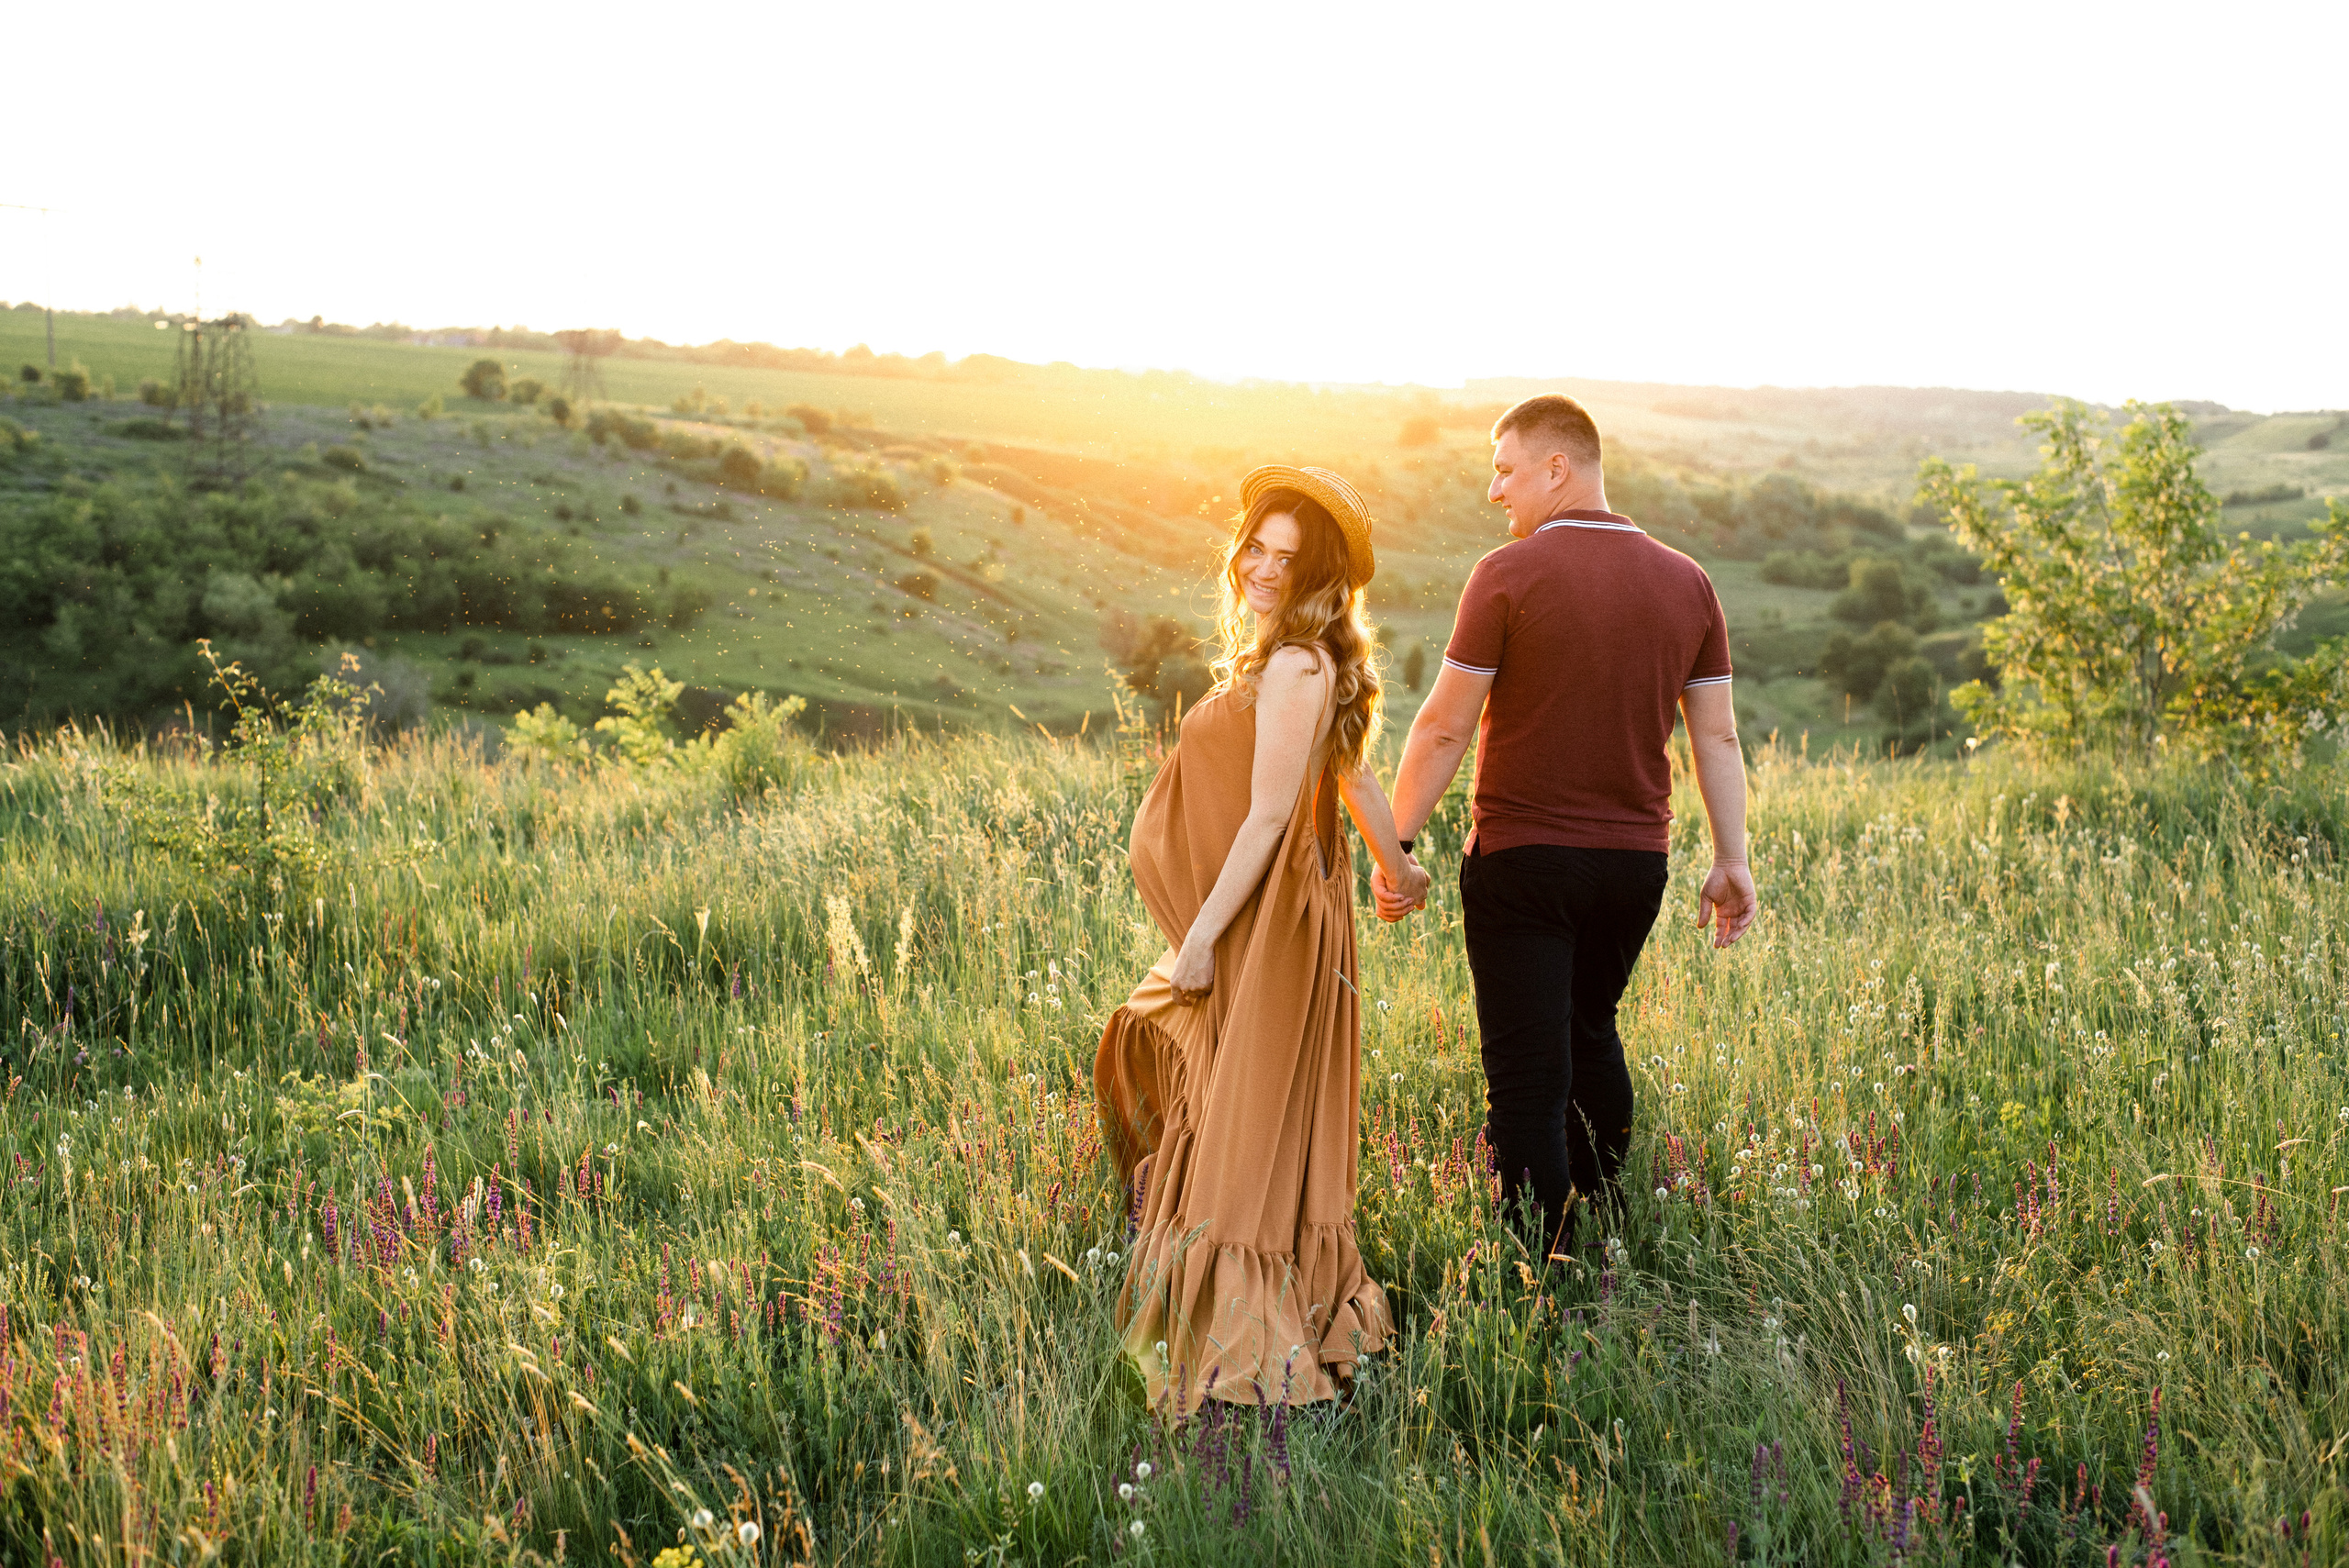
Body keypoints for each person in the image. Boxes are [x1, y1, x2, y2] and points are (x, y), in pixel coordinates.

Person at [1378, 394, 1756, 1268]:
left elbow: (1443, 729)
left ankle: (1538, 1280)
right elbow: (1718, 737)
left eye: (1505, 470)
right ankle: (1608, 1223)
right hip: (1635, 868)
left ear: (1558, 468)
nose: (1494, 490)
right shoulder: (1689, 581)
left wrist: (1396, 846)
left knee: (1525, 1076)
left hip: (1525, 863)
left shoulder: (1505, 575)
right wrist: (1730, 859)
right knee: (1589, 1030)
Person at [1095, 464, 1428, 1409]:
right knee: (1217, 1089)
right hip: (1261, 917)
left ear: (1319, 574)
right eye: (1257, 548)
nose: (1265, 567)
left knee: (1230, 1101)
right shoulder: (1294, 659)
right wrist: (1399, 868)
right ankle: (1226, 1280)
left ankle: (1243, 1334)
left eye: (1289, 557)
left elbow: (1272, 816)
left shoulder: (1295, 664)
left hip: (1261, 926)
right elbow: (1354, 774)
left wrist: (1201, 937)